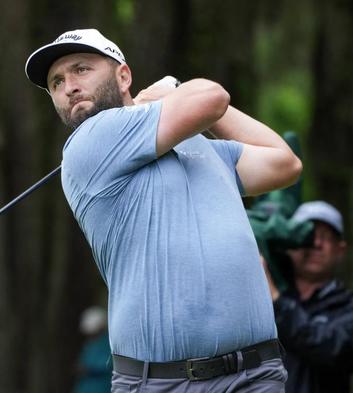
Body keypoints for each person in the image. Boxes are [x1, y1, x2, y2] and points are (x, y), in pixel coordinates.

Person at [25, 28, 302, 392]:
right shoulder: (89, 143)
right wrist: (172, 93)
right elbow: (211, 96)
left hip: (255, 376)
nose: (69, 86)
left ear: (123, 75)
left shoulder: (201, 148)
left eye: (81, 69)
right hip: (162, 383)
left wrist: (181, 107)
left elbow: (285, 164)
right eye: (57, 82)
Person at [262, 201, 353, 393]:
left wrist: (276, 301)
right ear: (289, 243)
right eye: (307, 235)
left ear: (340, 250)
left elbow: (332, 349)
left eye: (325, 237)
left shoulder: (348, 308)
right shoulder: (263, 299)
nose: (316, 244)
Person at [73, 306, 113, 393]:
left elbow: (107, 364)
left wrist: (88, 369)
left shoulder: (108, 343)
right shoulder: (89, 344)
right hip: (85, 387)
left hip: (101, 387)